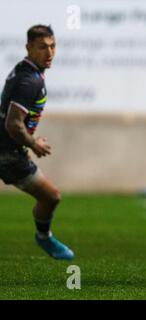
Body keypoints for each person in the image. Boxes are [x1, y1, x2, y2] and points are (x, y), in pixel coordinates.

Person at [0, 25, 74, 260]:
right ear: (29, 47)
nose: (49, 53)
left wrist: (25, 143)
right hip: (8, 155)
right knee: (51, 197)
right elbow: (13, 124)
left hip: (10, 149)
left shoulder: (25, 71)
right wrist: (32, 144)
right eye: (42, 47)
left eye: (52, 46)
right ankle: (44, 238)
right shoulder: (29, 81)